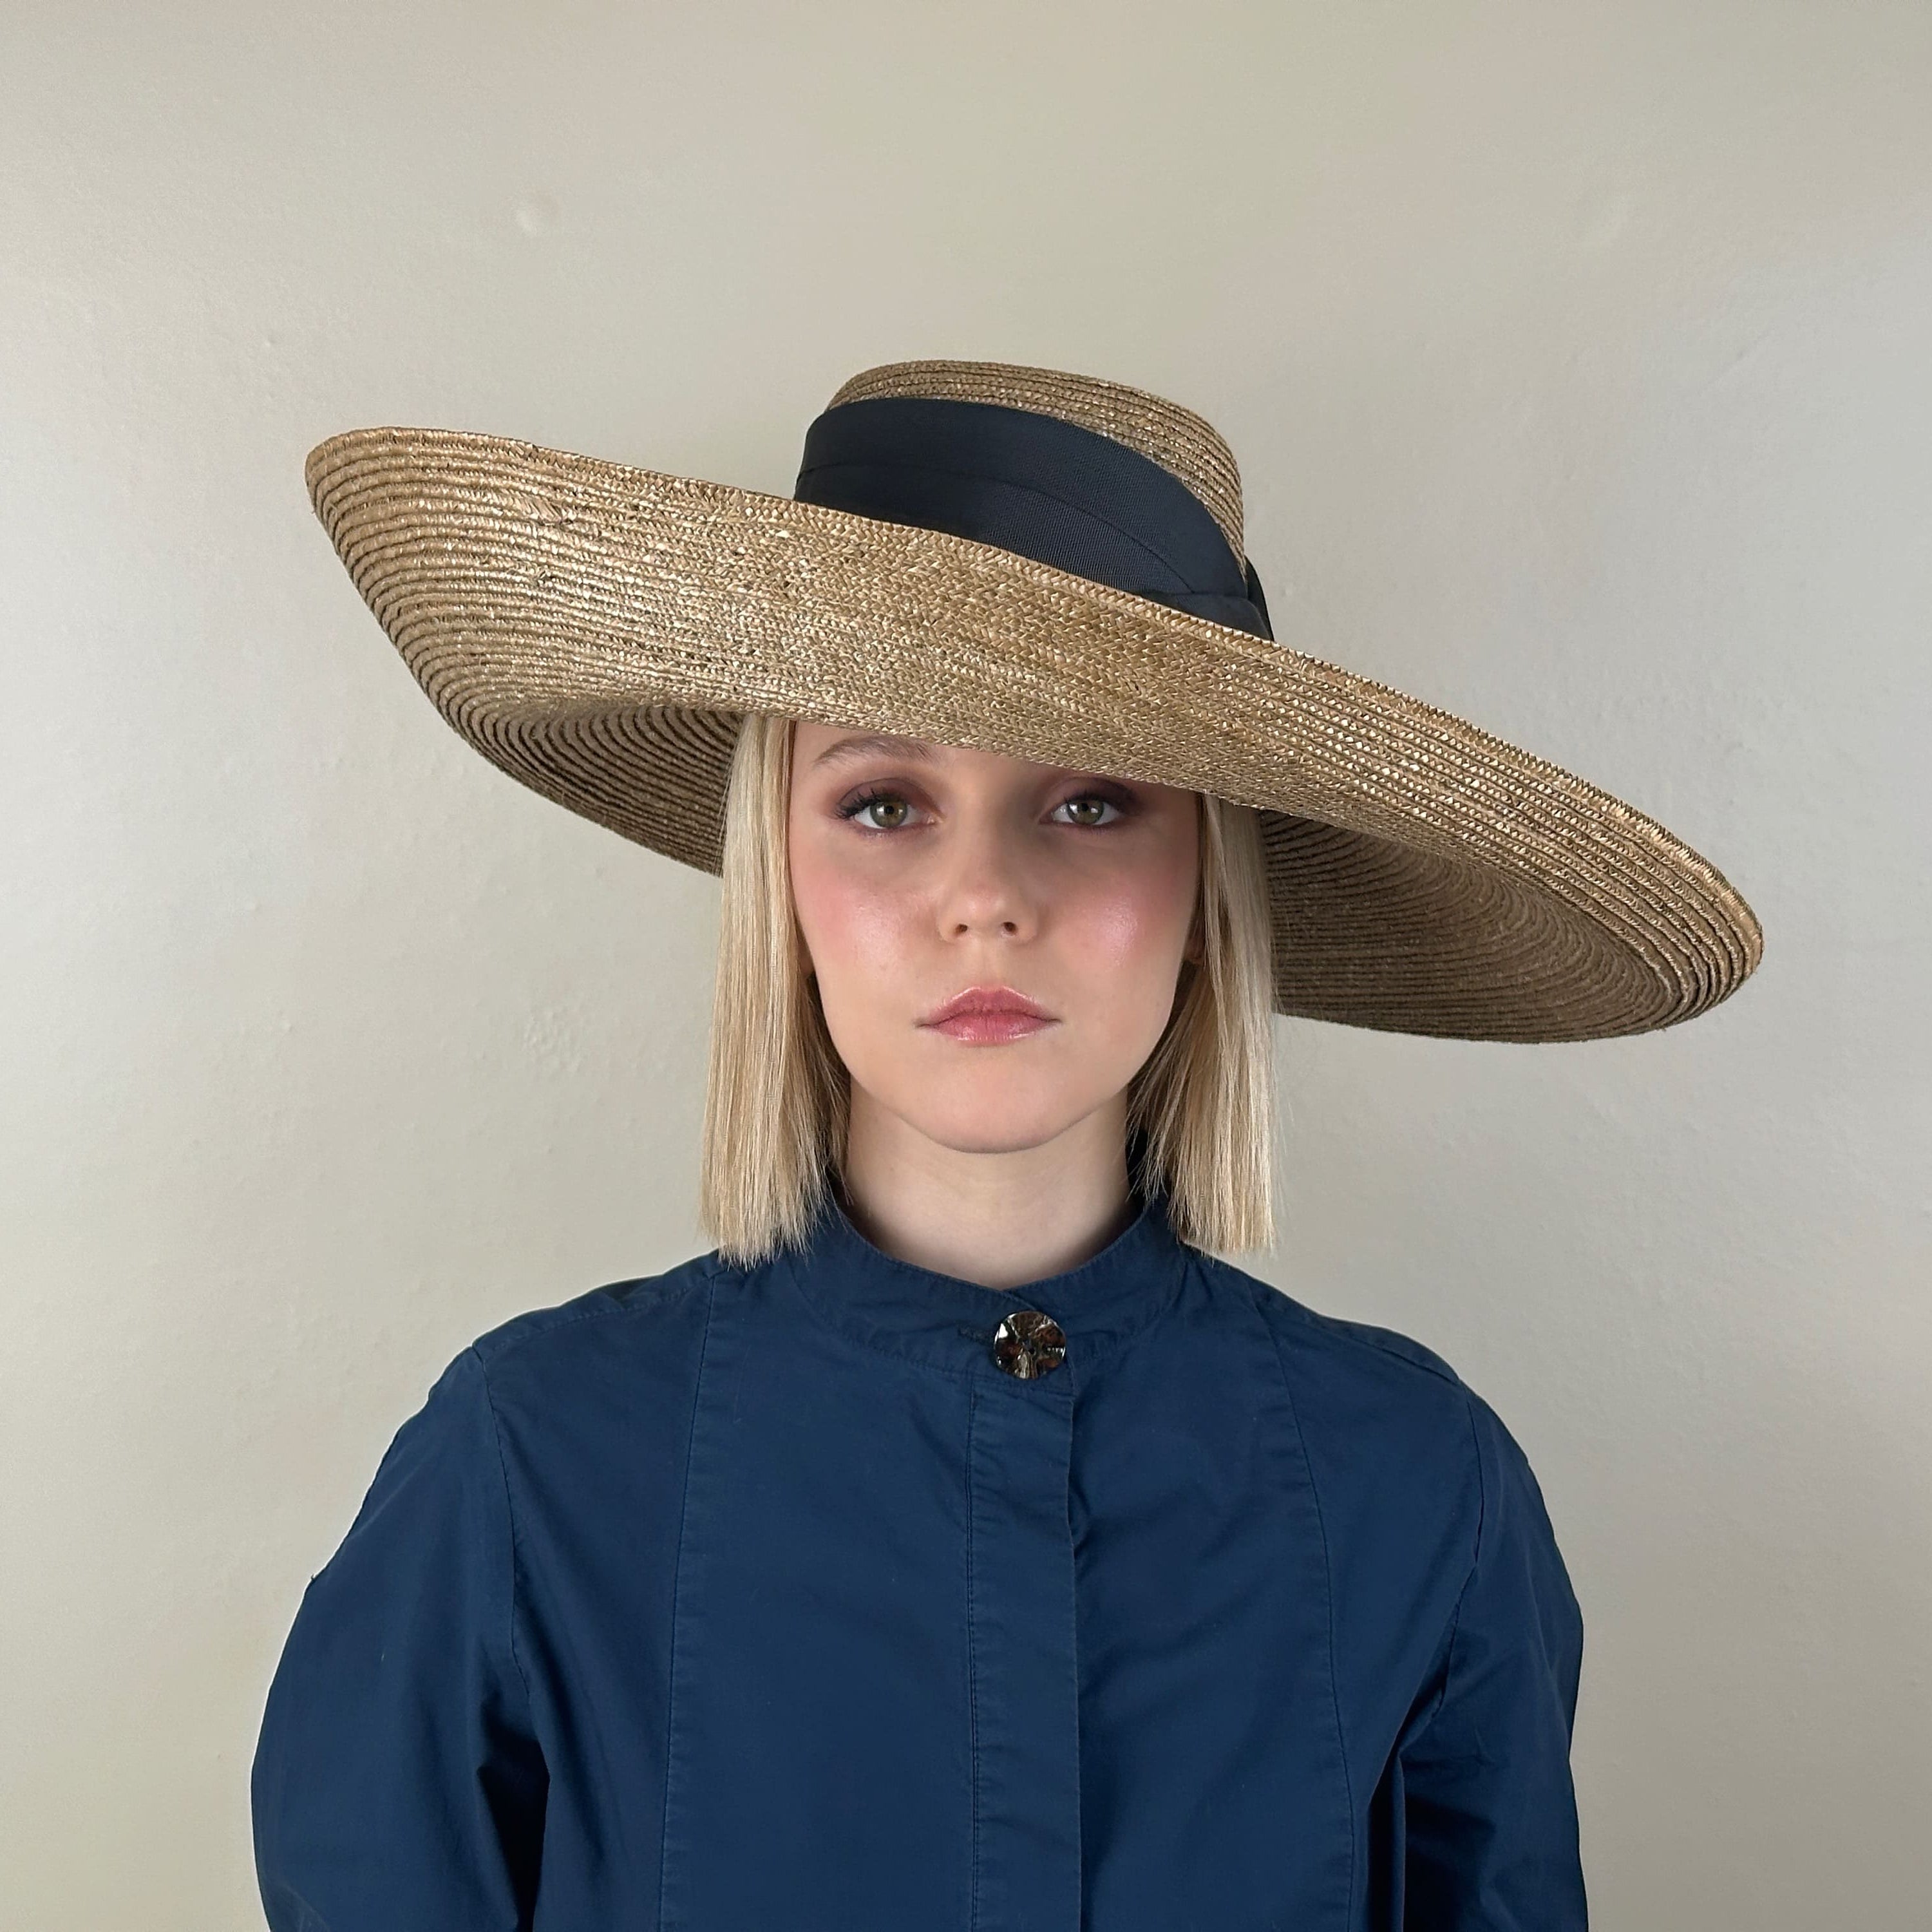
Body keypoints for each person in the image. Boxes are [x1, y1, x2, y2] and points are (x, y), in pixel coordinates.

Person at [253, 359, 1763, 1928]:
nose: (984, 898)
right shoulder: (532, 1464)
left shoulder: (1415, 1485)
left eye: (1094, 802)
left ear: (1206, 890)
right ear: (778, 876)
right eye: (885, 803)